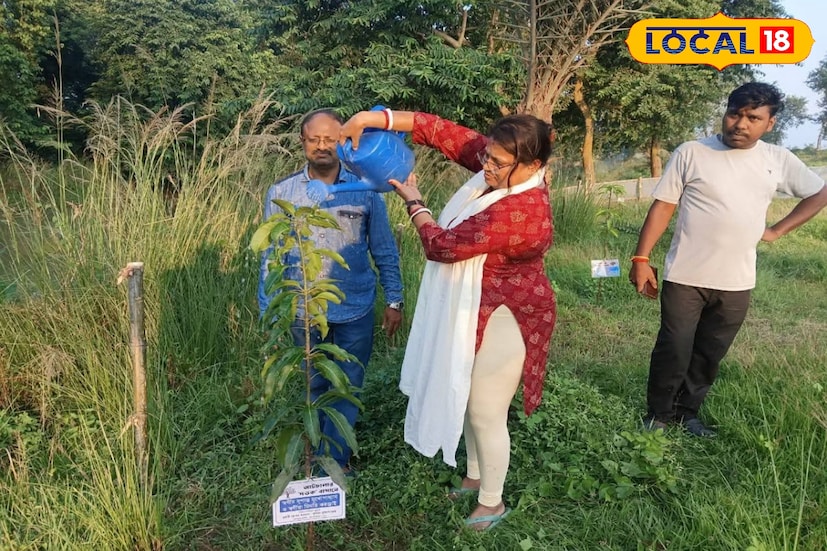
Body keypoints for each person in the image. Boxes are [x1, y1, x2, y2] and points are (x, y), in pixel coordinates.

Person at [340, 109, 557, 530]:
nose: (485, 166)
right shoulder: (499, 168)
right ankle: (475, 476)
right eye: (486, 157)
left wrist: (415, 203)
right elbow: (437, 130)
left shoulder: (524, 211)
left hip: (507, 309)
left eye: (496, 162)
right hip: (473, 303)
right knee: (469, 392)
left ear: (532, 166)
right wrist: (372, 118)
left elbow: (443, 247)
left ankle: (492, 502)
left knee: (484, 409)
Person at [630, 82, 827, 437]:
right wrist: (641, 258)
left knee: (710, 352)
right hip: (686, 274)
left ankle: (687, 413)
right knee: (674, 346)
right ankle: (658, 414)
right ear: (726, 112)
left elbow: (819, 193)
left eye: (753, 117)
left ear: (769, 123)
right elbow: (663, 206)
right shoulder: (692, 152)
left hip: (737, 280)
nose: (741, 123)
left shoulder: (777, 159)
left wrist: (777, 231)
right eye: (735, 113)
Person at [257, 108, 404, 471]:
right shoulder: (282, 192)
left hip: (354, 306)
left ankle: (333, 463)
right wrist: (268, 312)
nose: (322, 147)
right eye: (314, 140)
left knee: (348, 385)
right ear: (302, 142)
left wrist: (395, 299)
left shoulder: (366, 190)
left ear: (343, 140)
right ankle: (317, 451)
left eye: (330, 139)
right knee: (315, 382)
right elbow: (270, 258)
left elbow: (384, 249)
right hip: (303, 310)